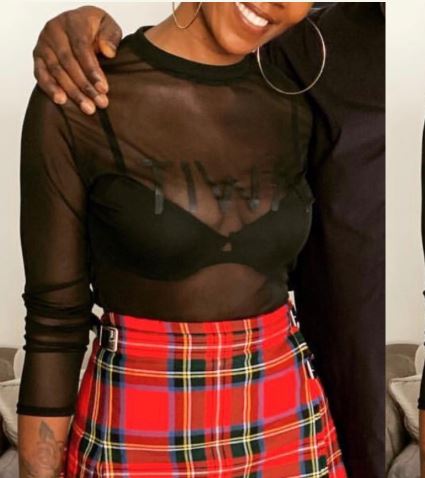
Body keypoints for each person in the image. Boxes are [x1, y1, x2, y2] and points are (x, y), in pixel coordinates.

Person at [28, 3, 386, 477]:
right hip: (135, 433)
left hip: (288, 427)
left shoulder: (297, 96)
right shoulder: (82, 91)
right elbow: (54, 321)